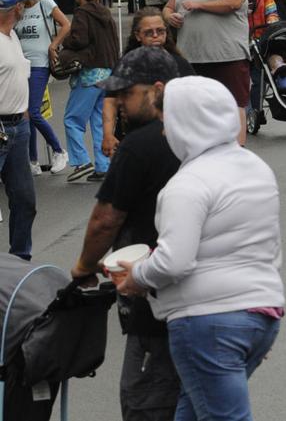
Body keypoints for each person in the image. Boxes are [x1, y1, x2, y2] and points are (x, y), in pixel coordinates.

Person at [111, 76, 285, 421]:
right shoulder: (255, 168)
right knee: (192, 411)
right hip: (261, 311)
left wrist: (138, 276)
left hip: (207, 321)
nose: (163, 133)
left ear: (185, 123)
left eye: (167, 123)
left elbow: (174, 261)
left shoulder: (188, 183)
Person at [72, 47, 184, 420]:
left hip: (153, 292)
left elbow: (106, 219)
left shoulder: (139, 145)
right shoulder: (200, 136)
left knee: (145, 401)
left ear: (156, 90)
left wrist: (83, 268)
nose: (118, 101)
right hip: (210, 297)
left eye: (126, 93)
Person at [164, 0, 251, 144]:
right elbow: (168, 7)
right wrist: (170, 17)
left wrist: (200, 5)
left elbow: (234, 2)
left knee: (233, 103)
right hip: (191, 58)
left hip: (227, 56)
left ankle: (238, 151)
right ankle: (201, 149)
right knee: (195, 107)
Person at [102, 8, 194, 158]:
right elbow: (111, 100)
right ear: (137, 35)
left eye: (160, 31)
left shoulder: (180, 64)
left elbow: (193, 104)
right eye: (149, 32)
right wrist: (107, 134)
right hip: (131, 139)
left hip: (171, 142)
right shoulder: (126, 65)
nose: (156, 36)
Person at [56, 0, 119, 183]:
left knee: (72, 119)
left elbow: (80, 40)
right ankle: (103, 165)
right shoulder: (105, 12)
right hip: (108, 72)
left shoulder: (82, 13)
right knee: (99, 121)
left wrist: (66, 43)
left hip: (90, 73)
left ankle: (81, 161)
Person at [13, 0, 68, 174]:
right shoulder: (17, 9)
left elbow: (66, 25)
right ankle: (33, 161)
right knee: (25, 114)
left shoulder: (44, 2)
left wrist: (54, 45)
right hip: (21, 64)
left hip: (40, 63)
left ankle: (59, 151)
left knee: (34, 112)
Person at [0, 0, 35, 258]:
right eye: (22, 2)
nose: (25, 5)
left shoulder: (12, 36)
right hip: (0, 127)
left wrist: (23, 116)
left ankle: (20, 261)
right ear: (16, 7)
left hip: (18, 128)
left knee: (25, 201)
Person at [234, 0, 278, 124]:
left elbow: (271, 7)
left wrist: (272, 21)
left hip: (259, 37)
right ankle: (245, 112)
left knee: (258, 78)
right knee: (242, 80)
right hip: (238, 40)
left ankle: (256, 112)